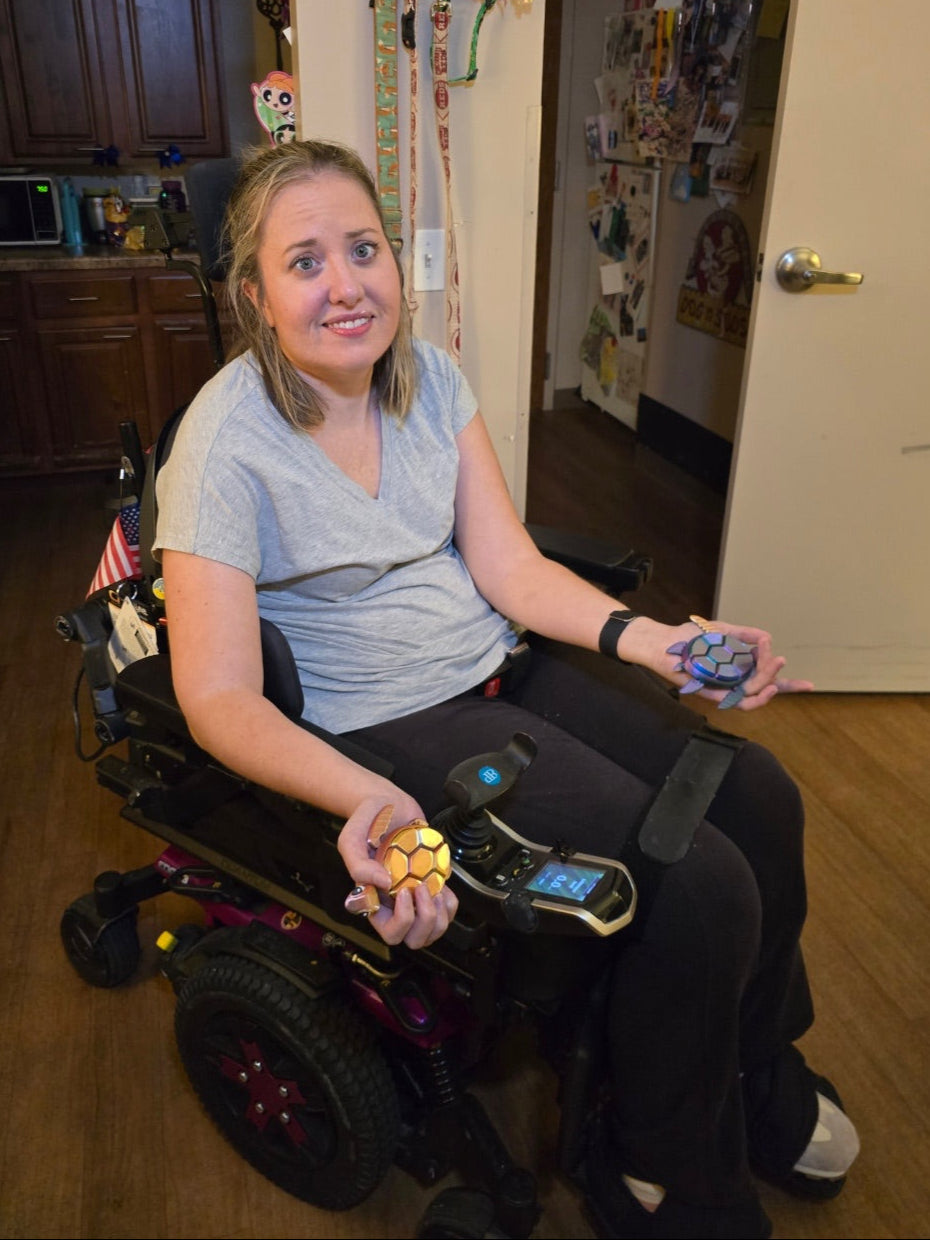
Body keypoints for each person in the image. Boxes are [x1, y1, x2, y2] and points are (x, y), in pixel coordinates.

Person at [153, 140, 859, 1239]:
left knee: (759, 795)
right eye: (304, 262)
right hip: (386, 718)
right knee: (700, 885)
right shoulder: (222, 445)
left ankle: (750, 1069)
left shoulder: (430, 379)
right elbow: (217, 697)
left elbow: (509, 566)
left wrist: (654, 641)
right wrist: (368, 800)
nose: (346, 284)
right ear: (252, 296)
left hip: (497, 662)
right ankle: (658, 1167)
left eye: (364, 248)